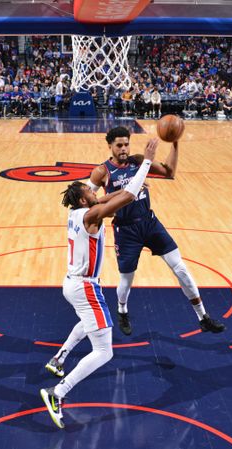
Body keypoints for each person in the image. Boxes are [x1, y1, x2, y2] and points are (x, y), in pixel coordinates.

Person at [40, 139, 158, 429]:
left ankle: (59, 358)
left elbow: (110, 198)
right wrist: (146, 163)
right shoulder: (91, 215)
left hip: (72, 284)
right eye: (89, 192)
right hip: (85, 286)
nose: (94, 192)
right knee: (105, 351)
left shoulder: (77, 213)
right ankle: (58, 393)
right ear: (84, 200)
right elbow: (127, 195)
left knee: (87, 321)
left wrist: (127, 189)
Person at [85, 126, 225, 336]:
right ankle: (122, 310)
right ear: (110, 146)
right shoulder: (101, 171)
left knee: (180, 268)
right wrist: (122, 193)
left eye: (126, 144)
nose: (124, 149)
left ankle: (203, 317)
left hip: (149, 223)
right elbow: (89, 202)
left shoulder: (139, 161)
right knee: (126, 279)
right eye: (119, 145)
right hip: (126, 230)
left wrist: (175, 143)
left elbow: (170, 173)